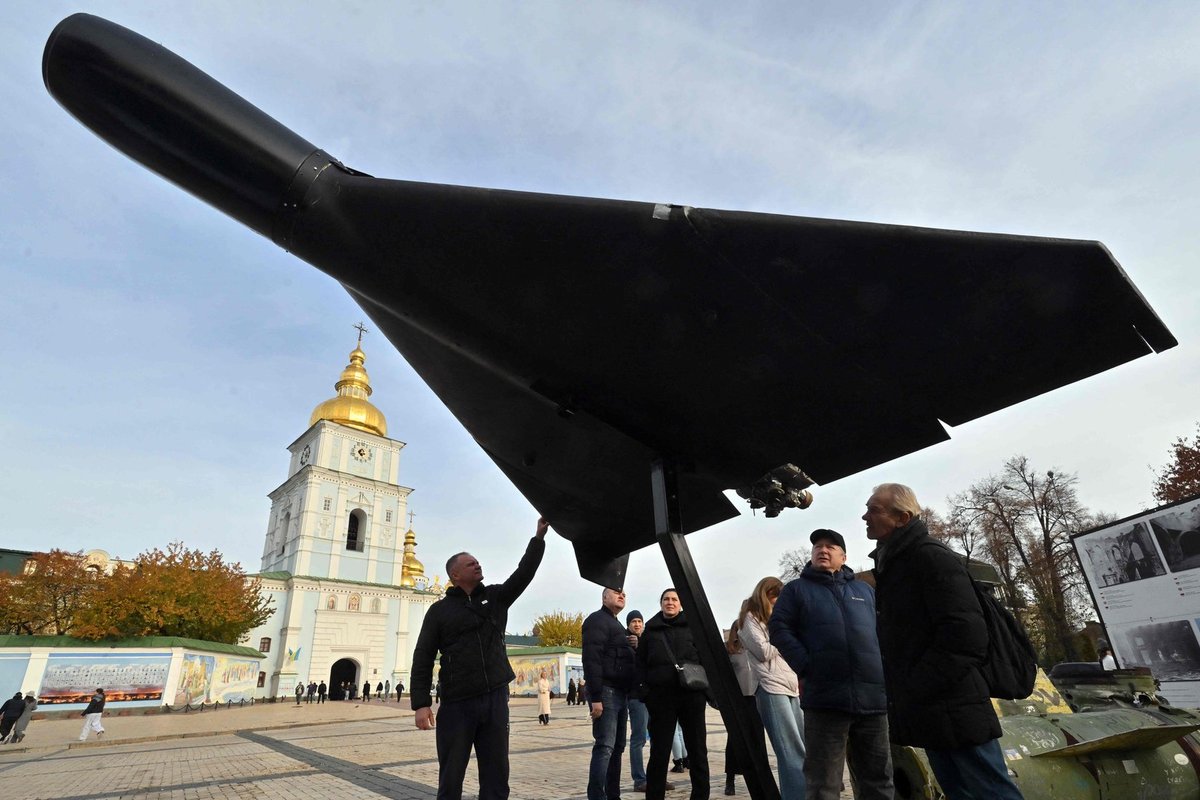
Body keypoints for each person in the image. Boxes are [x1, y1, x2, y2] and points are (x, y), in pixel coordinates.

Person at [865, 483, 1023, 800]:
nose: (865, 516)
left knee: (991, 792)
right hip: (933, 709)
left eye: (874, 509)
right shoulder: (895, 563)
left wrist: (920, 681)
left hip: (955, 705)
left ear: (902, 517)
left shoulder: (929, 559)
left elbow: (967, 635)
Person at [411, 517, 550, 800]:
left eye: (477, 561)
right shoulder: (439, 611)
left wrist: (538, 538)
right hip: (457, 703)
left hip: (495, 700)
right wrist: (421, 704)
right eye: (470, 563)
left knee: (497, 774)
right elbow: (423, 656)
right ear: (455, 575)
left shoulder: (497, 597)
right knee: (451, 776)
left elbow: (524, 574)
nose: (477, 564)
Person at [769, 532, 892, 800]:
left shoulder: (864, 590)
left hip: (873, 700)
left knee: (879, 780)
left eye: (830, 547)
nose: (822, 550)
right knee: (823, 783)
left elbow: (882, 632)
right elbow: (778, 629)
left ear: (844, 556)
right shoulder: (796, 590)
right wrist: (806, 665)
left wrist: (883, 669)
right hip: (825, 700)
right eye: (817, 547)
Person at [637, 588, 710, 800]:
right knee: (659, 752)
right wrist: (645, 692)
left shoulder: (693, 627)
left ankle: (700, 795)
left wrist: (707, 692)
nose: (670, 602)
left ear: (680, 604)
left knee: (697, 750)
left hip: (691, 696)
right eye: (666, 599)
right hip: (661, 698)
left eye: (674, 599)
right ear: (661, 603)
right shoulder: (651, 630)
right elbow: (640, 663)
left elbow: (706, 659)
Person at [583, 587, 639, 800]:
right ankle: (597, 796)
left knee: (617, 748)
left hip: (620, 693)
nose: (622, 595)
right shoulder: (597, 620)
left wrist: (633, 643)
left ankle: (613, 795)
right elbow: (591, 660)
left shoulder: (616, 625)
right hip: (605, 692)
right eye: (616, 592)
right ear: (604, 597)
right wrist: (595, 697)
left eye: (624, 593)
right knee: (605, 746)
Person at [626, 610, 673, 793]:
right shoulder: (625, 640)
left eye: (639, 621)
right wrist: (635, 648)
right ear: (628, 624)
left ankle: (657, 778)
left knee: (659, 738)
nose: (637, 624)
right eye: (633, 622)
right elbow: (633, 668)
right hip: (637, 697)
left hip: (655, 697)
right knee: (638, 739)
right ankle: (639, 780)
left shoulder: (649, 638)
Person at [722, 612, 768, 796]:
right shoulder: (728, 651)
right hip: (738, 699)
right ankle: (730, 778)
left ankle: (761, 775)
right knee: (734, 739)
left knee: (758, 737)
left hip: (755, 698)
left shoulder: (753, 649)